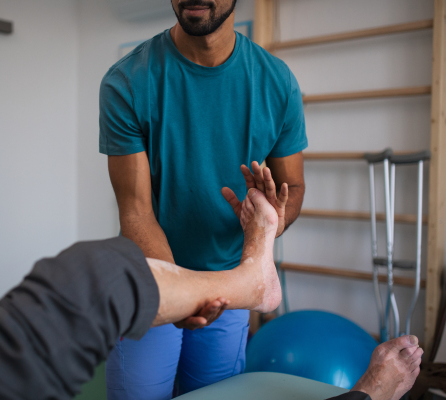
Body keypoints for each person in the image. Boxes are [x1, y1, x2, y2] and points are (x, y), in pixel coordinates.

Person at [0, 189, 422, 400]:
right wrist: (369, 395)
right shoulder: (133, 79)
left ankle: (249, 278)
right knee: (97, 273)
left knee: (95, 269)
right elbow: (134, 203)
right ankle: (252, 278)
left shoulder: (266, 80)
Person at [99, 0, 306, 396]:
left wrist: (267, 222)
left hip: (230, 285)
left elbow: (291, 189)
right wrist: (182, 294)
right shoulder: (127, 80)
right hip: (152, 280)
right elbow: (137, 211)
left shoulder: (277, 82)